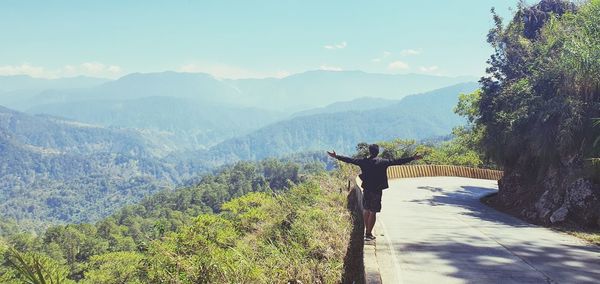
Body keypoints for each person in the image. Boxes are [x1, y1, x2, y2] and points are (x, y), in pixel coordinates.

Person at [327, 144, 422, 241]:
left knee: (366, 210)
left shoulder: (364, 162)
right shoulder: (383, 162)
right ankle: (368, 233)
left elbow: (350, 160)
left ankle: (366, 231)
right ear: (378, 152)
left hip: (367, 189)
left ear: (370, 151)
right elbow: (398, 161)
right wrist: (413, 158)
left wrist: (336, 156)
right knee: (373, 212)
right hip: (377, 191)